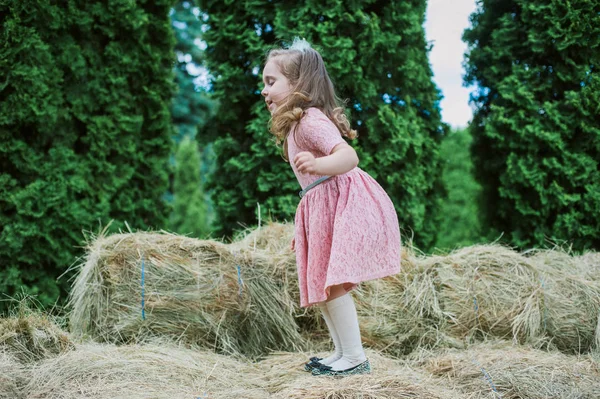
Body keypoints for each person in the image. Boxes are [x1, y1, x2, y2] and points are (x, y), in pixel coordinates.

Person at [260, 38, 401, 377]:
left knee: (333, 282)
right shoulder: (296, 124)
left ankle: (354, 357)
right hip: (321, 203)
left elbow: (348, 157)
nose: (264, 91)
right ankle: (341, 353)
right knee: (324, 281)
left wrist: (317, 165)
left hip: (342, 202)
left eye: (271, 82)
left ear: (298, 84)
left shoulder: (309, 120)